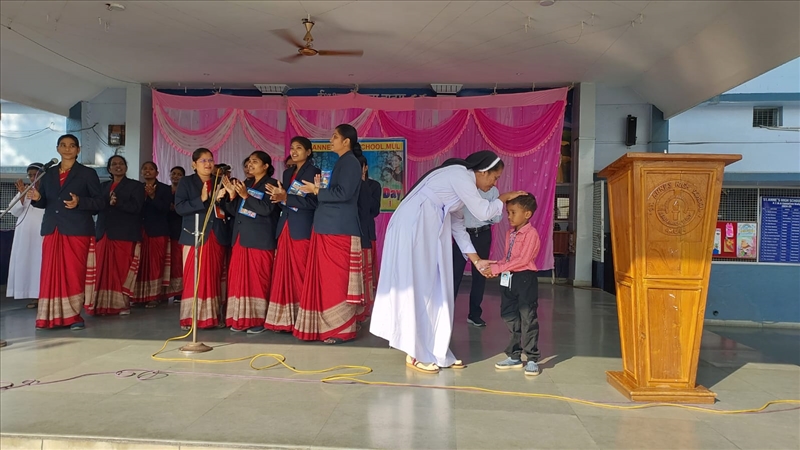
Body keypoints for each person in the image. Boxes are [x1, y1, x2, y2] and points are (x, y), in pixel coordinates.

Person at [370, 150, 525, 373]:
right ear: (483, 172)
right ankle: (415, 353)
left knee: (438, 291)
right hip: (413, 228)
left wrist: (477, 261)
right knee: (420, 289)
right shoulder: (461, 175)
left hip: (429, 227)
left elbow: (459, 226)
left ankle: (437, 351)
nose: (494, 183)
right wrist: (502, 198)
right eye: (495, 177)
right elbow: (484, 212)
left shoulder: (461, 187)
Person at [293, 124, 364, 344]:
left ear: (346, 141)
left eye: (334, 136)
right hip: (329, 227)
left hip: (338, 229)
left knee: (336, 281)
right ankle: (329, 327)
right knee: (328, 280)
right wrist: (319, 189)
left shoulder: (350, 162)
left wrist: (316, 190)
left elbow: (344, 193)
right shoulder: (342, 162)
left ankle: (341, 330)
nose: (330, 140)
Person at [29, 134, 105, 330]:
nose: (67, 149)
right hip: (52, 229)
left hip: (77, 230)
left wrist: (80, 202)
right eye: (63, 145)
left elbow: (100, 203)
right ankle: (47, 317)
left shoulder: (87, 173)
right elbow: (45, 202)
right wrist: (37, 198)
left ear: (78, 150)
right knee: (49, 274)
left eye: (72, 146)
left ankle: (73, 316)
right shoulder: (48, 173)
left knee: (73, 274)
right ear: (57, 149)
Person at [220, 151, 280, 333]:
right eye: (249, 162)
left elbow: (266, 209)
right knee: (238, 279)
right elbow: (235, 211)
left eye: (255, 161)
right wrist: (231, 195)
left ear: (266, 166)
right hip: (241, 237)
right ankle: (239, 319)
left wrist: (246, 196)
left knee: (258, 280)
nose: (250, 165)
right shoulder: (246, 183)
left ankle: (258, 320)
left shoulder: (271, 184)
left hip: (259, 239)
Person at [264, 137, 320, 332]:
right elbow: (285, 201)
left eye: (299, 148)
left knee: (301, 273)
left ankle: (305, 320)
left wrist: (287, 198)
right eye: (292, 148)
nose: (294, 151)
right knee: (284, 274)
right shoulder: (288, 172)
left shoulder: (315, 173)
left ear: (309, 152)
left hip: (303, 227)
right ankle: (285, 320)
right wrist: (280, 198)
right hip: (285, 226)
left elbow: (315, 203)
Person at [175, 148, 230, 330]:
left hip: (216, 234)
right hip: (194, 235)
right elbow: (180, 208)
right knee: (193, 277)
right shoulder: (186, 182)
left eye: (210, 160)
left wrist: (228, 197)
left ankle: (212, 317)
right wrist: (202, 198)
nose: (208, 164)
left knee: (214, 277)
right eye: (203, 160)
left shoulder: (219, 181)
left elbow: (227, 209)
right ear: (194, 164)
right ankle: (190, 319)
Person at [488, 194, 542, 376]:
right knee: (509, 315)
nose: (509, 216)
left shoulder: (531, 234)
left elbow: (523, 260)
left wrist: (498, 268)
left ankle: (532, 358)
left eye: (513, 212)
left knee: (528, 317)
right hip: (508, 278)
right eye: (508, 212)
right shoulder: (509, 234)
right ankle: (514, 355)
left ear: (527, 214)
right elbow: (508, 258)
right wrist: (494, 265)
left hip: (525, 279)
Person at [85, 155, 145, 316]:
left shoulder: (135, 186)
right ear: (109, 169)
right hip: (103, 233)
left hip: (124, 233)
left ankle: (121, 305)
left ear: (126, 167)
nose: (118, 166)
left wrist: (118, 203)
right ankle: (100, 305)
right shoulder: (102, 187)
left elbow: (137, 207)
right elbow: (95, 208)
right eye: (114, 164)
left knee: (121, 271)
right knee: (100, 271)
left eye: (121, 163)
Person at [452, 185, 502, 327]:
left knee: (480, 274)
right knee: (454, 274)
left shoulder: (493, 191)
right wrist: (485, 212)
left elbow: (497, 218)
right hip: (462, 233)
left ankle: (474, 314)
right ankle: (446, 313)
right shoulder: (464, 188)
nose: (493, 181)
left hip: (483, 234)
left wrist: (485, 215)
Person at [132, 161, 172, 308]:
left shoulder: (165, 189)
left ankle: (154, 296)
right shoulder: (137, 188)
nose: (147, 171)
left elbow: (165, 209)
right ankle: (139, 297)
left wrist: (153, 195)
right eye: (145, 169)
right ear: (141, 172)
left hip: (158, 231)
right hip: (140, 231)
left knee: (155, 264)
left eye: (151, 169)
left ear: (157, 173)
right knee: (140, 264)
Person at [6, 163, 45, 307]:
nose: (33, 178)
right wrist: (22, 195)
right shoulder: (26, 190)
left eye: (36, 175)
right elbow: (14, 211)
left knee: (41, 263)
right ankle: (34, 295)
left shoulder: (49, 190)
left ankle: (44, 296)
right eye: (30, 175)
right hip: (25, 237)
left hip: (41, 235)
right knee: (28, 264)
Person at [356, 155, 381, 318]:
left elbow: (374, 210)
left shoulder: (373, 185)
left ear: (365, 168)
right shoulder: (346, 186)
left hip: (366, 233)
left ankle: (365, 309)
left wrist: (363, 184)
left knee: (366, 273)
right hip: (349, 232)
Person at [167, 166, 185, 303]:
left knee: (178, 262)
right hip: (165, 229)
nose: (176, 176)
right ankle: (164, 293)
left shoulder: (185, 191)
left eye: (179, 174)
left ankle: (179, 292)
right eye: (174, 173)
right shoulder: (164, 190)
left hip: (179, 230)